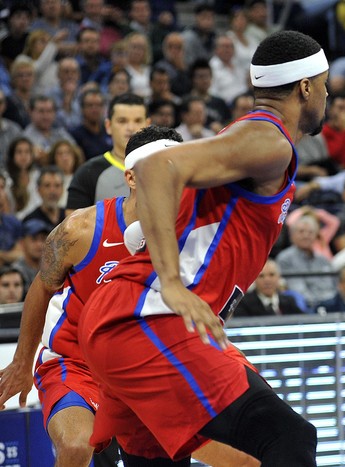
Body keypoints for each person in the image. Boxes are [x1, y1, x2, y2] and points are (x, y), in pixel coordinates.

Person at [76, 30, 327, 465]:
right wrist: (171, 282)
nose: (327, 93)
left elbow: (170, 209)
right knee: (289, 438)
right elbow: (157, 165)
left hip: (121, 317)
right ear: (306, 87)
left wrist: (152, 245)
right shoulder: (269, 141)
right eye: (325, 83)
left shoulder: (241, 142)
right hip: (148, 320)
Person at [0, 126, 258, 467]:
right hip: (78, 361)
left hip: (152, 363)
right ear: (132, 178)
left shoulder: (194, 235)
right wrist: (21, 361)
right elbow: (41, 287)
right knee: (77, 445)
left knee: (250, 455)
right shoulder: (81, 230)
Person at [66, 93, 150, 215]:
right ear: (108, 126)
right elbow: (71, 229)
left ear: (148, 125)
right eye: (122, 121)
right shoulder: (87, 173)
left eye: (138, 121)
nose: (131, 128)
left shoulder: (163, 168)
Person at [234, 258, 306, 318]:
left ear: (279, 277)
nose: (267, 280)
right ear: (254, 279)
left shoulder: (289, 301)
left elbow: (303, 321)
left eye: (271, 275)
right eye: (261, 276)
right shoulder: (243, 303)